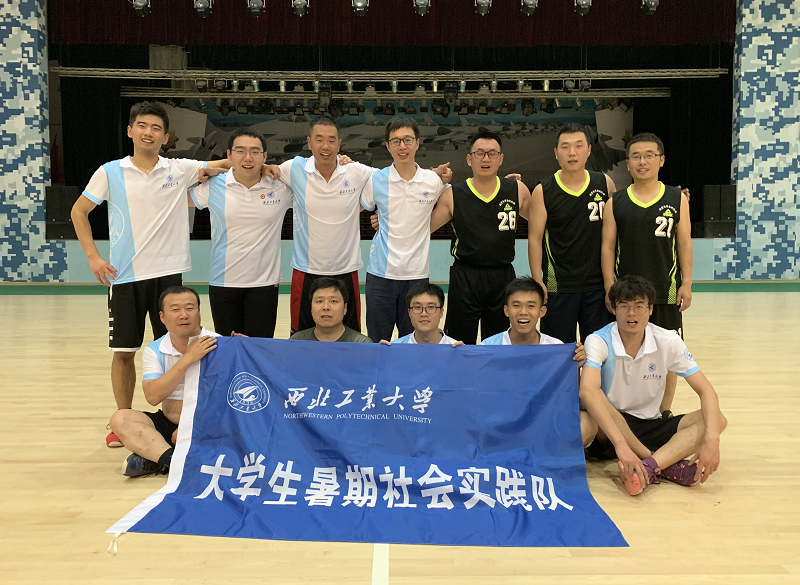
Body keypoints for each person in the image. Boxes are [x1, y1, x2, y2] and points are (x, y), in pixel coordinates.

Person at [70, 101, 230, 448]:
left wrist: (266, 166)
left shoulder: (180, 169)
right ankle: (122, 419)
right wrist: (93, 257)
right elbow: (79, 211)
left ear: (166, 137)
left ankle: (177, 419)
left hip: (169, 279)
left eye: (156, 128)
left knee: (177, 351)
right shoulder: (110, 171)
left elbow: (226, 164)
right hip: (125, 277)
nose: (149, 132)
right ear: (130, 131)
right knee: (124, 352)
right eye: (142, 126)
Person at [580, 276, 726, 496]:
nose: (632, 313)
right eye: (624, 306)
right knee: (592, 399)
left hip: (650, 423)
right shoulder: (598, 340)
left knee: (716, 419)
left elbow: (706, 391)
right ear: (613, 309)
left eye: (639, 306)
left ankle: (649, 467)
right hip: (608, 428)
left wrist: (712, 441)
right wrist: (621, 446)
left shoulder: (668, 340)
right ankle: (658, 461)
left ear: (650, 310)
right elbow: (587, 391)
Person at [601, 132, 693, 414]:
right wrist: (609, 287)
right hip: (627, 296)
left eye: (649, 156)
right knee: (624, 353)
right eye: (636, 157)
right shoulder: (615, 202)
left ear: (661, 160)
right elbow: (607, 247)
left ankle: (663, 412)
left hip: (664, 290)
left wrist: (687, 283)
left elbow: (684, 243)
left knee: (669, 354)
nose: (642, 162)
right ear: (628, 163)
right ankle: (625, 410)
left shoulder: (677, 198)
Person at [429, 131, 533, 345]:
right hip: (465, 277)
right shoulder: (453, 194)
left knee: (500, 343)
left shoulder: (517, 190)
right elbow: (423, 228)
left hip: (503, 276)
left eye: (492, 153)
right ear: (469, 159)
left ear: (500, 159)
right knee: (459, 342)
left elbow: (542, 221)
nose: (486, 159)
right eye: (479, 153)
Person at [190, 128, 292, 338]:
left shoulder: (280, 188)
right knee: (228, 349)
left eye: (255, 152)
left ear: (264, 156)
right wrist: (196, 176)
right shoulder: (213, 186)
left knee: (259, 349)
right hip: (223, 283)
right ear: (229, 155)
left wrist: (344, 162)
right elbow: (173, 199)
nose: (248, 158)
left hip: (264, 284)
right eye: (240, 151)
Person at [109, 286, 219, 477]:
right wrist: (187, 358)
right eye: (175, 310)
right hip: (169, 423)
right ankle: (173, 461)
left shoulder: (218, 343)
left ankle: (155, 458)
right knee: (121, 418)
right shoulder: (155, 350)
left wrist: (189, 427)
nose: (183, 315)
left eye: (190, 308)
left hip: (207, 423)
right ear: (162, 317)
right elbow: (153, 397)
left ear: (199, 312)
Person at [360, 117, 450, 344]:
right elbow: (355, 207)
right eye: (396, 141)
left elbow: (457, 201)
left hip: (416, 276)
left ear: (417, 143)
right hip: (380, 276)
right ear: (388, 145)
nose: (402, 146)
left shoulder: (433, 180)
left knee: (414, 342)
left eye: (408, 140)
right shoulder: (376, 179)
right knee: (377, 342)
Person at [528, 123, 616, 343]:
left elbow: (616, 232)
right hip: (558, 286)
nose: (572, 152)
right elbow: (535, 239)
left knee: (599, 350)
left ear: (589, 150)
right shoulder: (543, 190)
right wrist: (538, 280)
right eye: (565, 147)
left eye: (578, 145)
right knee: (557, 351)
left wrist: (610, 283)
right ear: (556, 153)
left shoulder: (605, 184)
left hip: (597, 286)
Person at [290, 277, 373, 343]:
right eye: (319, 301)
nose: (326, 307)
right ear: (311, 308)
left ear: (345, 308)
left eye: (333, 301)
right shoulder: (297, 341)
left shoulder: (361, 343)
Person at [380, 282, 461, 346]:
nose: (424, 314)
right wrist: (380, 356)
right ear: (409, 312)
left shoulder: (456, 349)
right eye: (417, 307)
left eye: (431, 307)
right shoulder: (395, 349)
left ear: (441, 312)